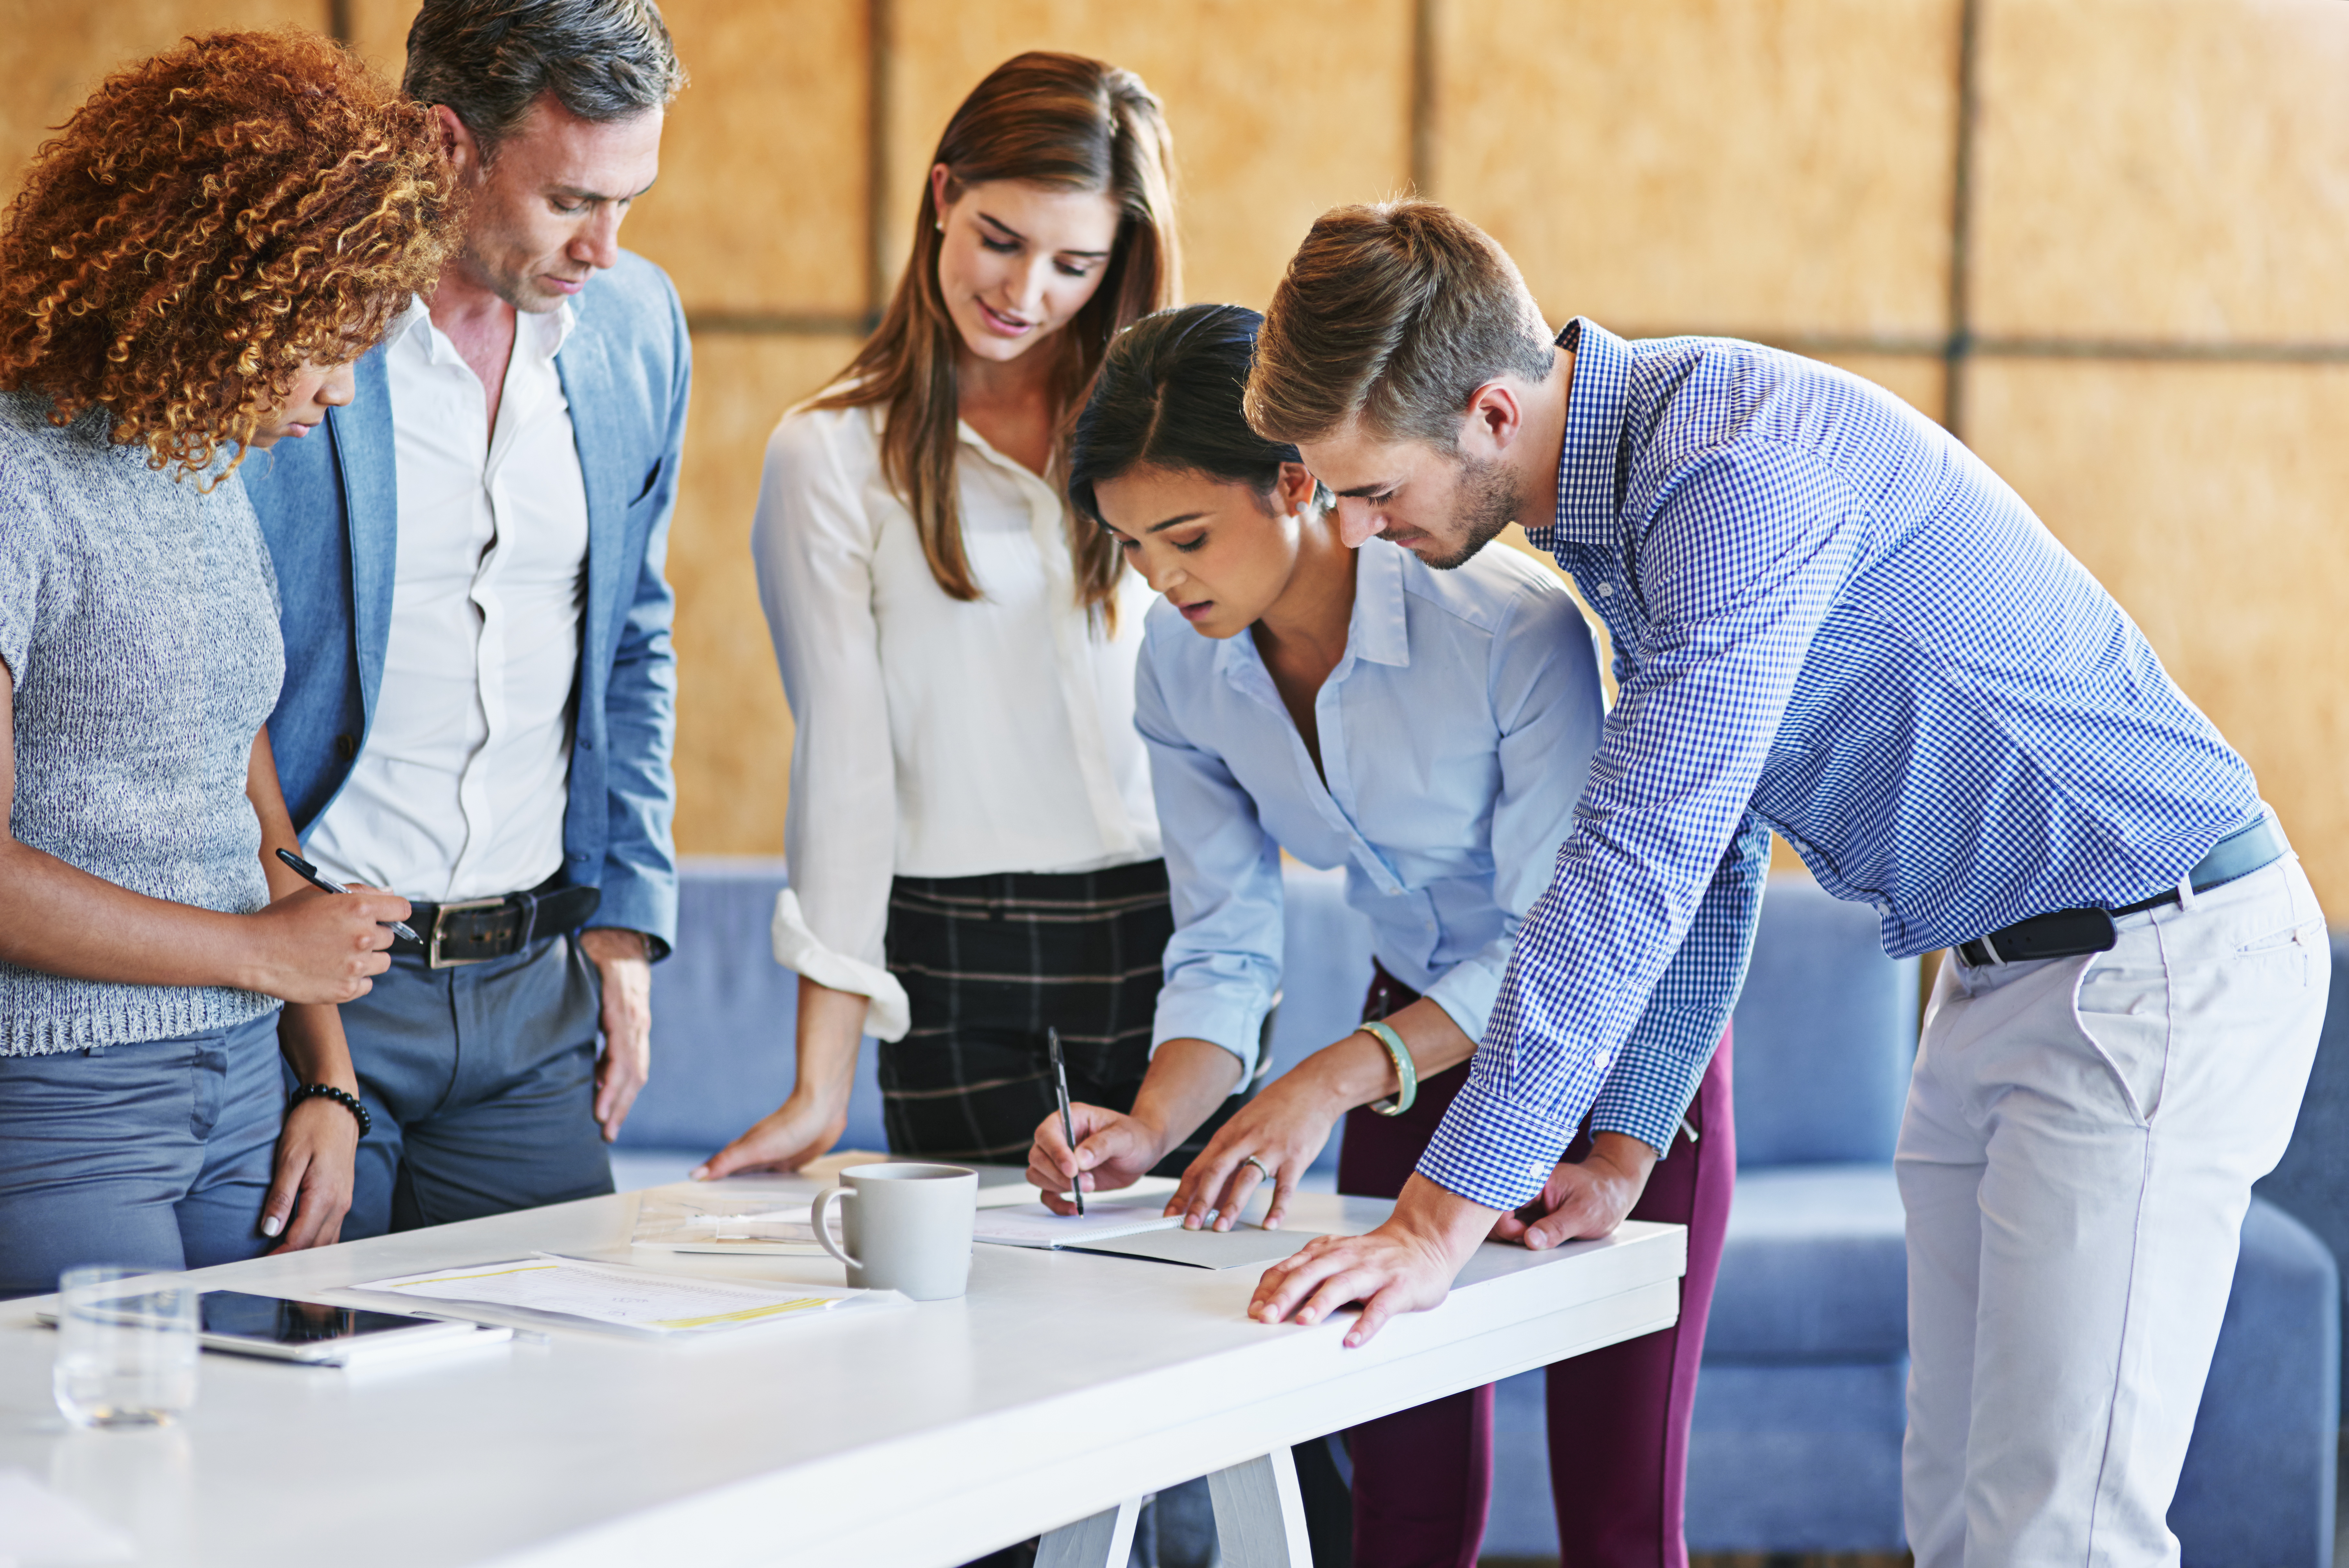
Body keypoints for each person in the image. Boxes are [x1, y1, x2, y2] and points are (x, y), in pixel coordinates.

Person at [1238, 201, 2329, 1568]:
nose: (1354, 527)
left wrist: (1435, 1217)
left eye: (1374, 488)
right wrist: (1625, 1143)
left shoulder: (1734, 472)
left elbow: (1639, 851)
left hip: (2156, 963)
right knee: (1958, 1513)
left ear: (1492, 412)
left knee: (2059, 1530)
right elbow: (1717, 842)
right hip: (1998, 977)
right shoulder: (1626, 499)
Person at [1026, 303, 1737, 1568]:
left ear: (1295, 478)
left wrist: (1324, 1078)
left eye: (1186, 536)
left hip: (1615, 1048)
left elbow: (1554, 940)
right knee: (1398, 1503)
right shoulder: (1179, 670)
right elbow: (1226, 939)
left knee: (1619, 1512)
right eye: (1132, 546)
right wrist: (1148, 1123)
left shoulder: (1507, 628)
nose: (1162, 579)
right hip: (1409, 1038)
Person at [0, 30, 459, 1295]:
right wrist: (264, 957)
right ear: (217, 292)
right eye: (325, 336)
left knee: (285, 1469)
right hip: (58, 1110)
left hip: (252, 1085)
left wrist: (328, 1075)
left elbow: (250, 813)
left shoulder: (201, 470)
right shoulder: (16, 476)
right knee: (120, 1479)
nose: (346, 388)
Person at [697, 51, 1208, 1181]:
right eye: (1000, 240)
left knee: (1198, 1317)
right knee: (1001, 1333)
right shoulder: (830, 456)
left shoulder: (1172, 442)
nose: (1026, 295)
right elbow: (844, 771)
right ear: (941, 197)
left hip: (1184, 937)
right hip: (956, 956)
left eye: (1075, 264)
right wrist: (818, 1085)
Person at [239, 0, 691, 1238]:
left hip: (533, 1000)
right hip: (308, 980)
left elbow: (634, 637)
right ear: (446, 145)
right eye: (571, 202)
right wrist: (298, 993)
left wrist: (625, 922)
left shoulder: (640, 328)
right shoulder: (294, 344)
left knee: (564, 1405)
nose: (606, 247)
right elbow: (219, 686)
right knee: (303, 1401)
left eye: (629, 201)